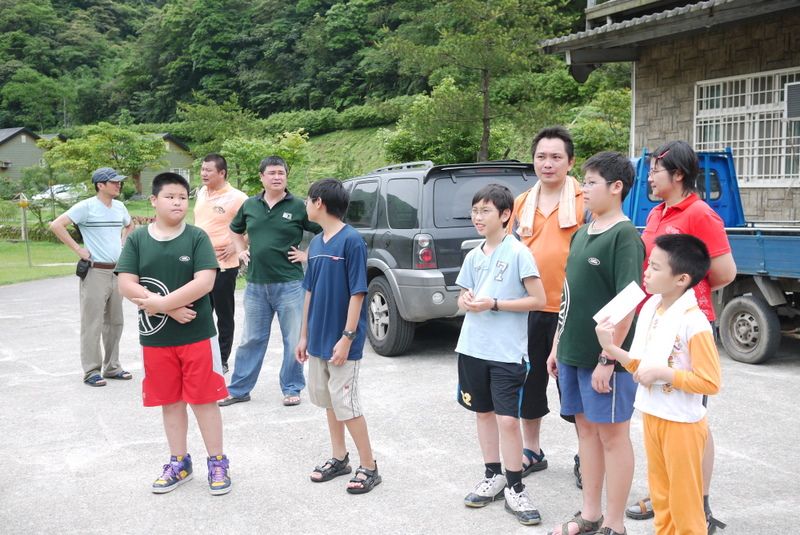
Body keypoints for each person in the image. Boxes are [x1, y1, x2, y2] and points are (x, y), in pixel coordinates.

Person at [626, 141, 735, 533]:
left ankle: (697, 504)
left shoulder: (700, 214)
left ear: (678, 174)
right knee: (662, 414)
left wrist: (689, 292)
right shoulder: (656, 212)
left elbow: (724, 272)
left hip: (686, 325)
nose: (650, 177)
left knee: (691, 417)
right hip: (659, 320)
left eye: (656, 170)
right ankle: (667, 496)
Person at [596, 233, 722, 535]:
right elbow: (642, 366)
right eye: (648, 265)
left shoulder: (694, 322)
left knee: (685, 506)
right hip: (654, 415)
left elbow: (710, 382)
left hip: (682, 425)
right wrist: (610, 348)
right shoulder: (653, 309)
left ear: (681, 279)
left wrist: (663, 373)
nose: (646, 273)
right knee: (662, 500)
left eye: (655, 267)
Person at [546, 152, 645, 535]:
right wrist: (557, 346)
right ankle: (590, 515)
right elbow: (569, 297)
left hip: (605, 360)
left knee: (613, 436)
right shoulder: (582, 233)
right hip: (572, 352)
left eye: (590, 182)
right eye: (584, 182)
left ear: (616, 187)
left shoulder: (625, 236)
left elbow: (628, 301)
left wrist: (608, 358)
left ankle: (615, 524)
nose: (583, 189)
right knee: (585, 433)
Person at [116, 172, 232, 495]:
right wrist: (168, 310)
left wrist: (161, 303)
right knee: (170, 402)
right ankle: (179, 462)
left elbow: (205, 282)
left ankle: (218, 461)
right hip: (156, 338)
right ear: (154, 200)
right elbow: (126, 283)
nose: (177, 202)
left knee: (205, 400)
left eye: (182, 197)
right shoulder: (138, 239)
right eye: (170, 197)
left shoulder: (196, 237)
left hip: (197, 335)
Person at [456, 184, 547, 526]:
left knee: (508, 420)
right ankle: (492, 476)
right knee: (483, 414)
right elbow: (463, 295)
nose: (477, 217)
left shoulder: (519, 252)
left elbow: (538, 300)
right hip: (472, 347)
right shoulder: (473, 255)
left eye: (485, 211)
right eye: (475, 211)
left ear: (506, 214)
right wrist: (465, 301)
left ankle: (515, 487)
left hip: (507, 352)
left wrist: (494, 303)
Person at [294, 178, 381, 494]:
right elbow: (309, 292)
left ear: (319, 202)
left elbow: (358, 292)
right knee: (330, 401)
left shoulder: (352, 241)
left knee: (347, 403)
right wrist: (303, 336)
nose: (306, 205)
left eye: (308, 199)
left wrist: (347, 337)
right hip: (317, 341)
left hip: (342, 341)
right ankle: (339, 457)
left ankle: (369, 466)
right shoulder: (316, 243)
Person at [507, 126, 585, 478]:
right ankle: (532, 450)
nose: (548, 163)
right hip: (529, 308)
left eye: (556, 157)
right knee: (529, 382)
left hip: (573, 311)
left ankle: (586, 454)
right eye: (541, 156)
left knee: (573, 387)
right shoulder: (522, 202)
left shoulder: (585, 199)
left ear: (570, 162)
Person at [219, 155, 321, 407]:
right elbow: (235, 229)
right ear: (262, 177)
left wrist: (308, 255)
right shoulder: (250, 205)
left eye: (281, 173)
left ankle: (292, 387)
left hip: (290, 285)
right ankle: (239, 389)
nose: (277, 177)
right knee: (251, 339)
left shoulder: (298, 206)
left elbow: (324, 229)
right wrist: (240, 250)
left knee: (293, 339)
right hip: (256, 285)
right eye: (272, 173)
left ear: (286, 176)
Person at [50, 167, 134, 387]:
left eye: (119, 181)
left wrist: (124, 244)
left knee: (115, 322)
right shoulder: (86, 207)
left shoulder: (120, 207)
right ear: (100, 185)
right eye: (114, 182)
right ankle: (91, 371)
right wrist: (78, 249)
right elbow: (56, 225)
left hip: (117, 271)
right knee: (92, 322)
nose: (118, 185)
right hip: (95, 271)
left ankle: (112, 366)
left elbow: (130, 225)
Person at [193, 154, 248, 374]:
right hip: (200, 264)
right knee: (200, 312)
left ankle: (222, 359)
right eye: (202, 169)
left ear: (222, 173)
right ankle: (203, 356)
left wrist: (237, 245)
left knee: (224, 315)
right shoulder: (201, 192)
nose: (203, 173)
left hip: (224, 265)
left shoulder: (238, 197)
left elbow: (254, 226)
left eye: (208, 170)